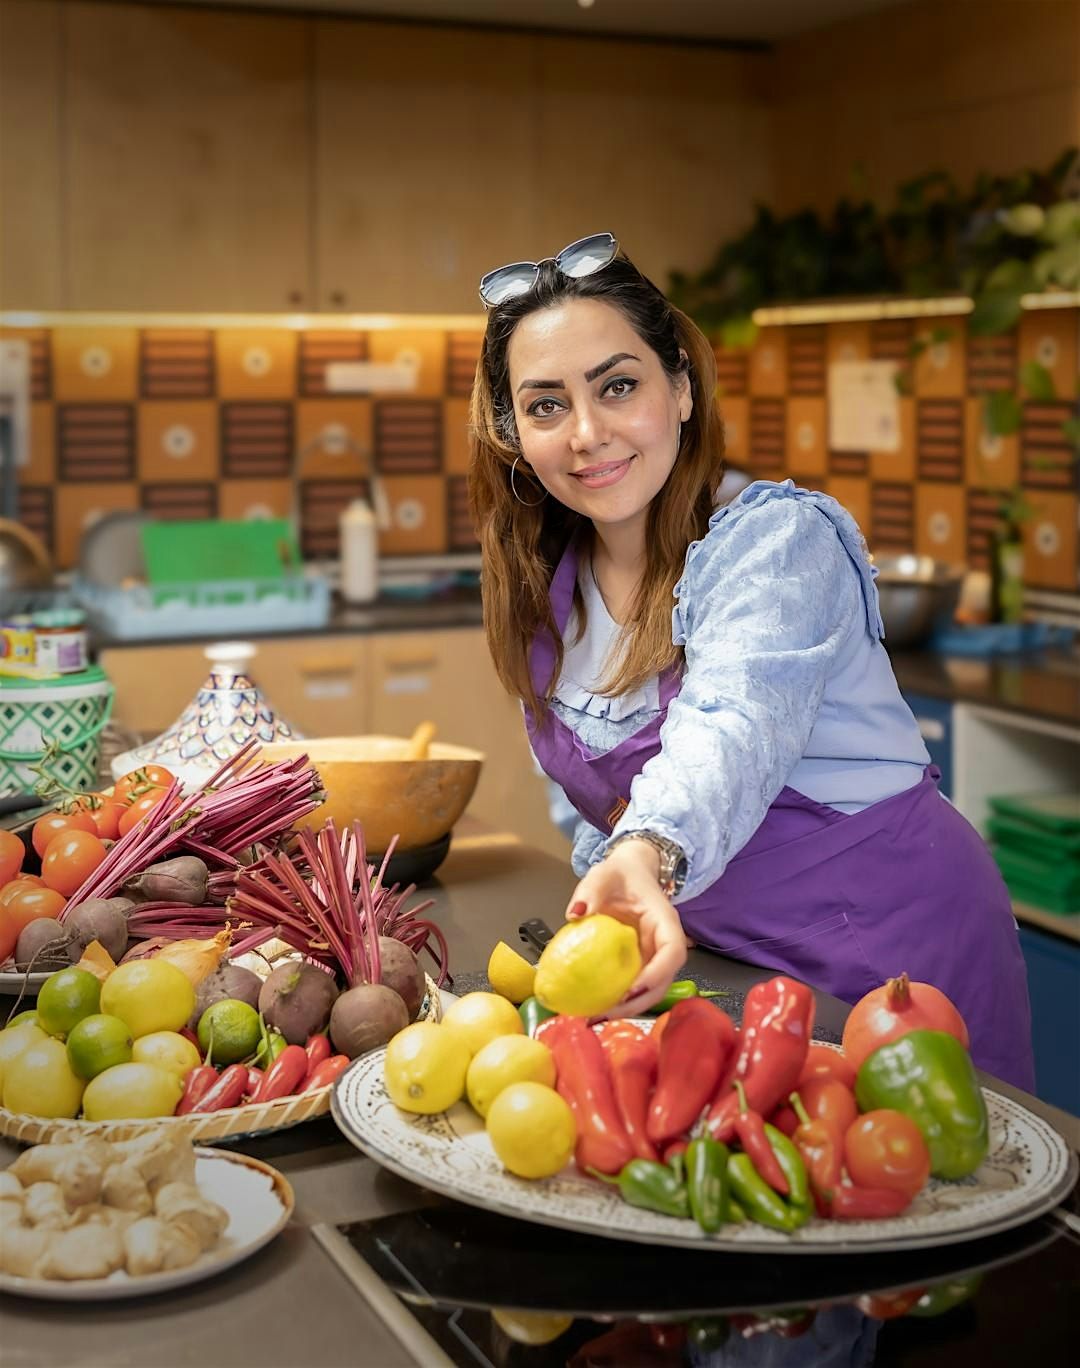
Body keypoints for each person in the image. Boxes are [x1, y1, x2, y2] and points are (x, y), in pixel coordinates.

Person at [467, 232, 1034, 1090]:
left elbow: (733, 724)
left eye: (618, 386)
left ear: (682, 390)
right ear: (515, 434)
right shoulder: (546, 594)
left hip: (892, 962)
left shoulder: (775, 544)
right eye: (546, 406)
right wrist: (608, 903)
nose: (586, 433)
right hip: (715, 967)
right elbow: (590, 807)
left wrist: (646, 851)